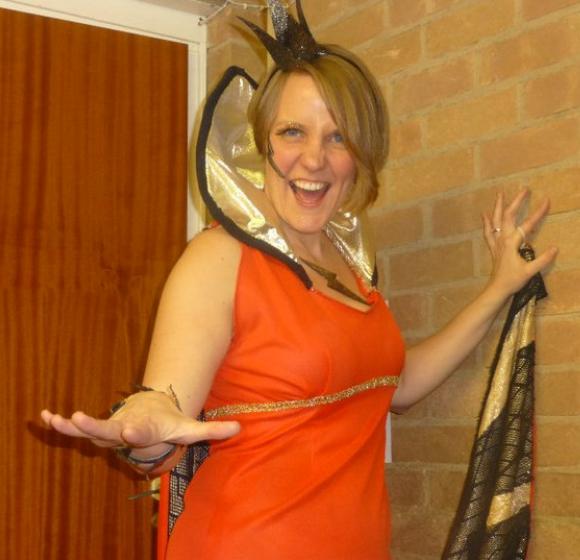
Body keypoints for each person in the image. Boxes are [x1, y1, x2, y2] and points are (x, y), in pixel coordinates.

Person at [41, 1, 558, 558]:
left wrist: (499, 288)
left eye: (338, 137)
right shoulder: (217, 258)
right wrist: (147, 433)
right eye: (293, 131)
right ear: (262, 143)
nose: (314, 159)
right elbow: (166, 414)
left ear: (361, 154)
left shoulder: (351, 265)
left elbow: (398, 385)